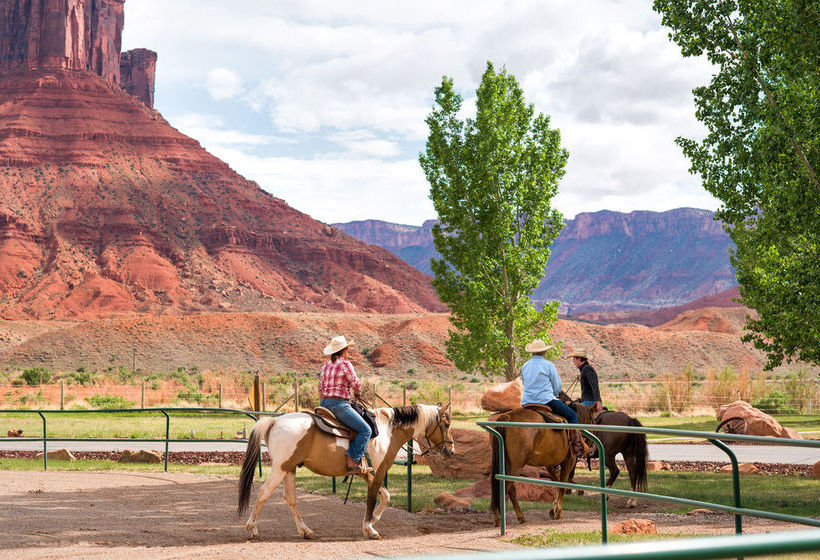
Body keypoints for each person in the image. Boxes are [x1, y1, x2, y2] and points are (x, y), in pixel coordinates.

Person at [520, 339, 586, 456]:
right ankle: (576, 446)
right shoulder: (548, 365)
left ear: (532, 352)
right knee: (572, 415)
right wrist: (555, 394)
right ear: (544, 352)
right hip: (546, 400)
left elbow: (524, 383)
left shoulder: (525, 365)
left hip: (527, 402)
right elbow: (557, 386)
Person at [318, 335, 373, 474]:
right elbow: (356, 383)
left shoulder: (325, 365)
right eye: (348, 350)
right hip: (339, 405)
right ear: (344, 350)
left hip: (323, 404)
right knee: (366, 430)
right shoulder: (345, 364)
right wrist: (358, 393)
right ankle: (352, 460)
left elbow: (320, 388)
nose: (348, 353)